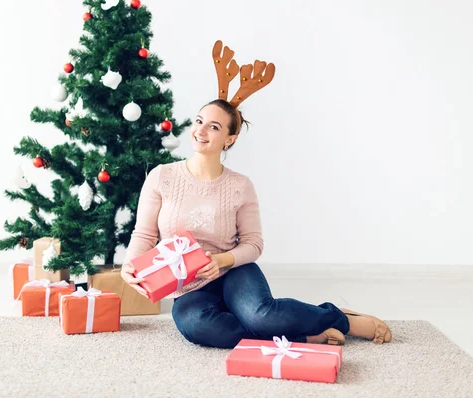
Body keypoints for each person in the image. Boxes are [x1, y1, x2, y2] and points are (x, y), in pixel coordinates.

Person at [120, 40, 392, 349]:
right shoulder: (162, 176)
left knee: (262, 316)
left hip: (234, 272)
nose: (200, 131)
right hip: (188, 288)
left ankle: (338, 317)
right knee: (199, 327)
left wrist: (221, 260)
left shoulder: (240, 185)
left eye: (213, 127)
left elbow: (253, 244)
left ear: (229, 138)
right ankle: (302, 335)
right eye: (198, 122)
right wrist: (132, 267)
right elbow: (144, 233)